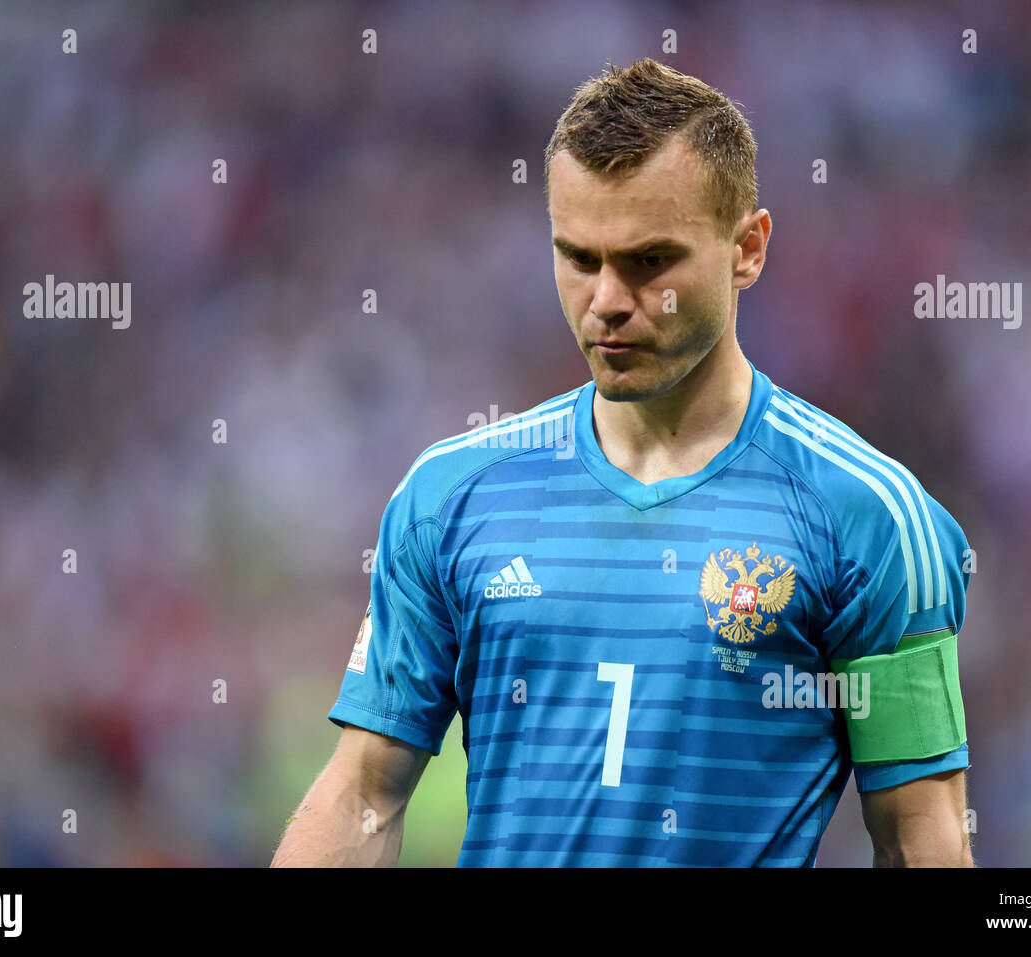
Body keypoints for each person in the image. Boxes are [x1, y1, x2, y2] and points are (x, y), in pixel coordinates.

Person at [272, 58, 974, 867]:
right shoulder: (450, 495)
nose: (606, 298)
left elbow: (923, 838)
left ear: (747, 249)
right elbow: (363, 790)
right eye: (578, 258)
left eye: (648, 262)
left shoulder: (871, 517)